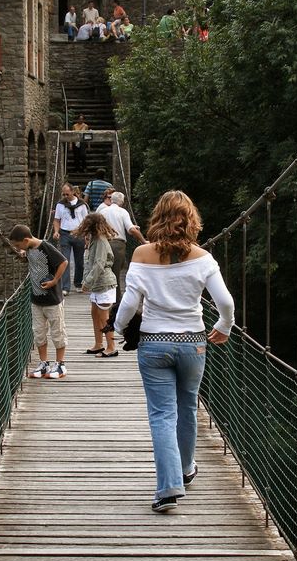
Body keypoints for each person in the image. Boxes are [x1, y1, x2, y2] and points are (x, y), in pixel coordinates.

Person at [114, 191, 235, 513]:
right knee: (187, 406)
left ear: (158, 218)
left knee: (162, 415)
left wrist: (118, 328)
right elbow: (225, 302)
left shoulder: (141, 254)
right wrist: (224, 325)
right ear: (191, 221)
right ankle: (185, 468)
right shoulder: (203, 258)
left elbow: (129, 302)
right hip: (193, 343)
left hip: (154, 343)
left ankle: (168, 489)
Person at [9, 224, 69, 380]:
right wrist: (23, 252)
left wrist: (55, 281)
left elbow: (63, 262)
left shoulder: (45, 247)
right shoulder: (29, 248)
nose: (17, 248)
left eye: (18, 245)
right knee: (39, 333)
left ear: (26, 240)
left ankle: (60, 364)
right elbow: (29, 255)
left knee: (57, 332)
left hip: (52, 300)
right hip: (36, 300)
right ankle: (44, 364)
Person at [74, 212, 118, 358]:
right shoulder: (93, 239)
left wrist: (87, 282)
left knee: (104, 317)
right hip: (97, 285)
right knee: (95, 313)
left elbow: (99, 264)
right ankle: (99, 344)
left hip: (104, 283)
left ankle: (111, 347)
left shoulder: (100, 241)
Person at [101, 191, 147, 305]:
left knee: (104, 272)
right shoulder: (122, 212)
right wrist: (143, 241)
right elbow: (131, 230)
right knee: (115, 274)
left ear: (111, 200)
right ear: (121, 202)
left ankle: (104, 299)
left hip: (104, 244)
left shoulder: (102, 211)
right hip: (118, 245)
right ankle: (116, 302)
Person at [53, 182, 89, 295]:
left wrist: (86, 235)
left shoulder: (82, 205)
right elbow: (56, 219)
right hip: (65, 234)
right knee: (65, 260)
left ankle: (78, 283)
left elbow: (86, 221)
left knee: (79, 261)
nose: (65, 196)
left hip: (79, 234)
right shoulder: (60, 204)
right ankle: (65, 287)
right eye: (63, 194)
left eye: (67, 194)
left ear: (73, 192)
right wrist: (56, 231)